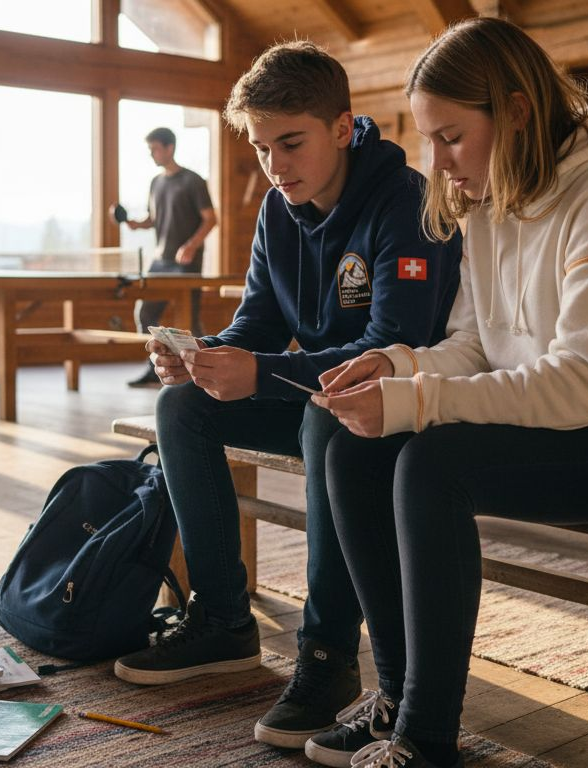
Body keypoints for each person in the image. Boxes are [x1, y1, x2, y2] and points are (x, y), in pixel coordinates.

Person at [311, 18, 588, 768]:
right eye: (428, 140)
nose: (437, 163)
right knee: (356, 454)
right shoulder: (493, 200)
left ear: (514, 111)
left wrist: (418, 403)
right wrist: (398, 365)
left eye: (449, 137)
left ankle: (426, 735)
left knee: (431, 463)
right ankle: (398, 694)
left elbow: (575, 385)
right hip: (580, 419)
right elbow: (476, 347)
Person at [111, 40, 463, 753]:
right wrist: (206, 359)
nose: (275, 166)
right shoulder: (278, 210)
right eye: (262, 149)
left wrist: (264, 374)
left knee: (323, 419)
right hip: (325, 404)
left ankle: (329, 658)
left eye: (291, 143)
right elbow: (259, 327)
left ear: (341, 127)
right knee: (182, 407)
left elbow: (396, 346)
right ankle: (222, 624)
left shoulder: (406, 203)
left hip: (409, 410)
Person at [117, 127, 218, 386]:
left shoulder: (193, 181)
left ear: (169, 147)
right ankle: (154, 368)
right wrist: (136, 224)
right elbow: (154, 218)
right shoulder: (155, 182)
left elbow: (210, 219)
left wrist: (191, 245)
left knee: (190, 320)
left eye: (155, 149)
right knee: (145, 312)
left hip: (187, 263)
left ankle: (207, 371)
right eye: (150, 149)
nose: (152, 154)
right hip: (161, 261)